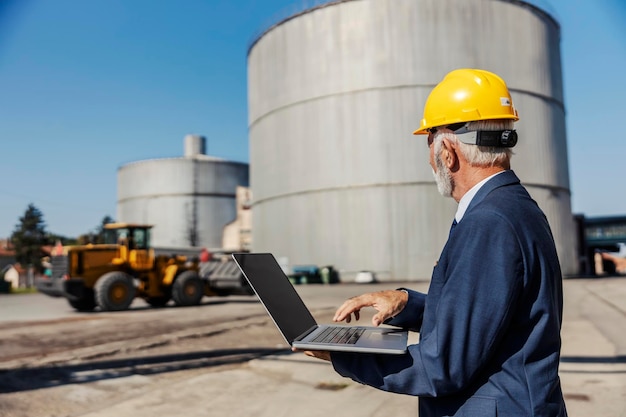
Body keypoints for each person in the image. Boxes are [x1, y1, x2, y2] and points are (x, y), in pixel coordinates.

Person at [296, 69, 568, 417]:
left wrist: (343, 355)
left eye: (429, 143)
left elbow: (444, 366)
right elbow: (483, 314)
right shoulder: (512, 207)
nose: (429, 158)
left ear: (449, 152)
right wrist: (405, 302)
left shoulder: (489, 222)